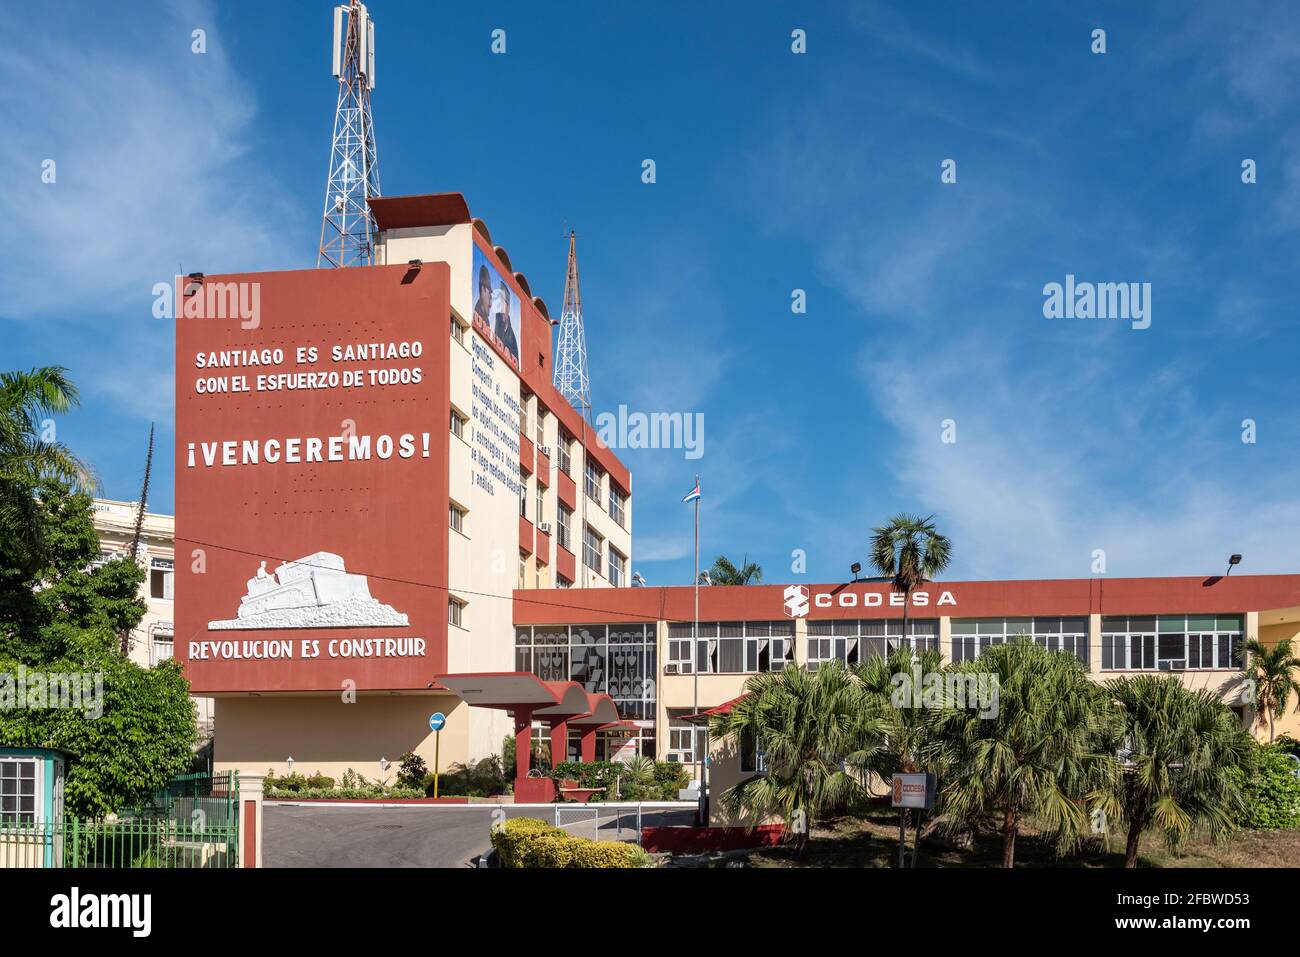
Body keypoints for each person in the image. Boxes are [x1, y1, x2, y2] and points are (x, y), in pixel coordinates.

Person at [491, 280, 519, 363]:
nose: (500, 306)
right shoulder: (496, 321)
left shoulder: (512, 340)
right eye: (498, 301)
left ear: (508, 307)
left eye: (503, 301)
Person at [472, 264, 492, 330]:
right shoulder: (475, 314)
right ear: (483, 289)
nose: (490, 304)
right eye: (489, 297)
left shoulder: (486, 321)